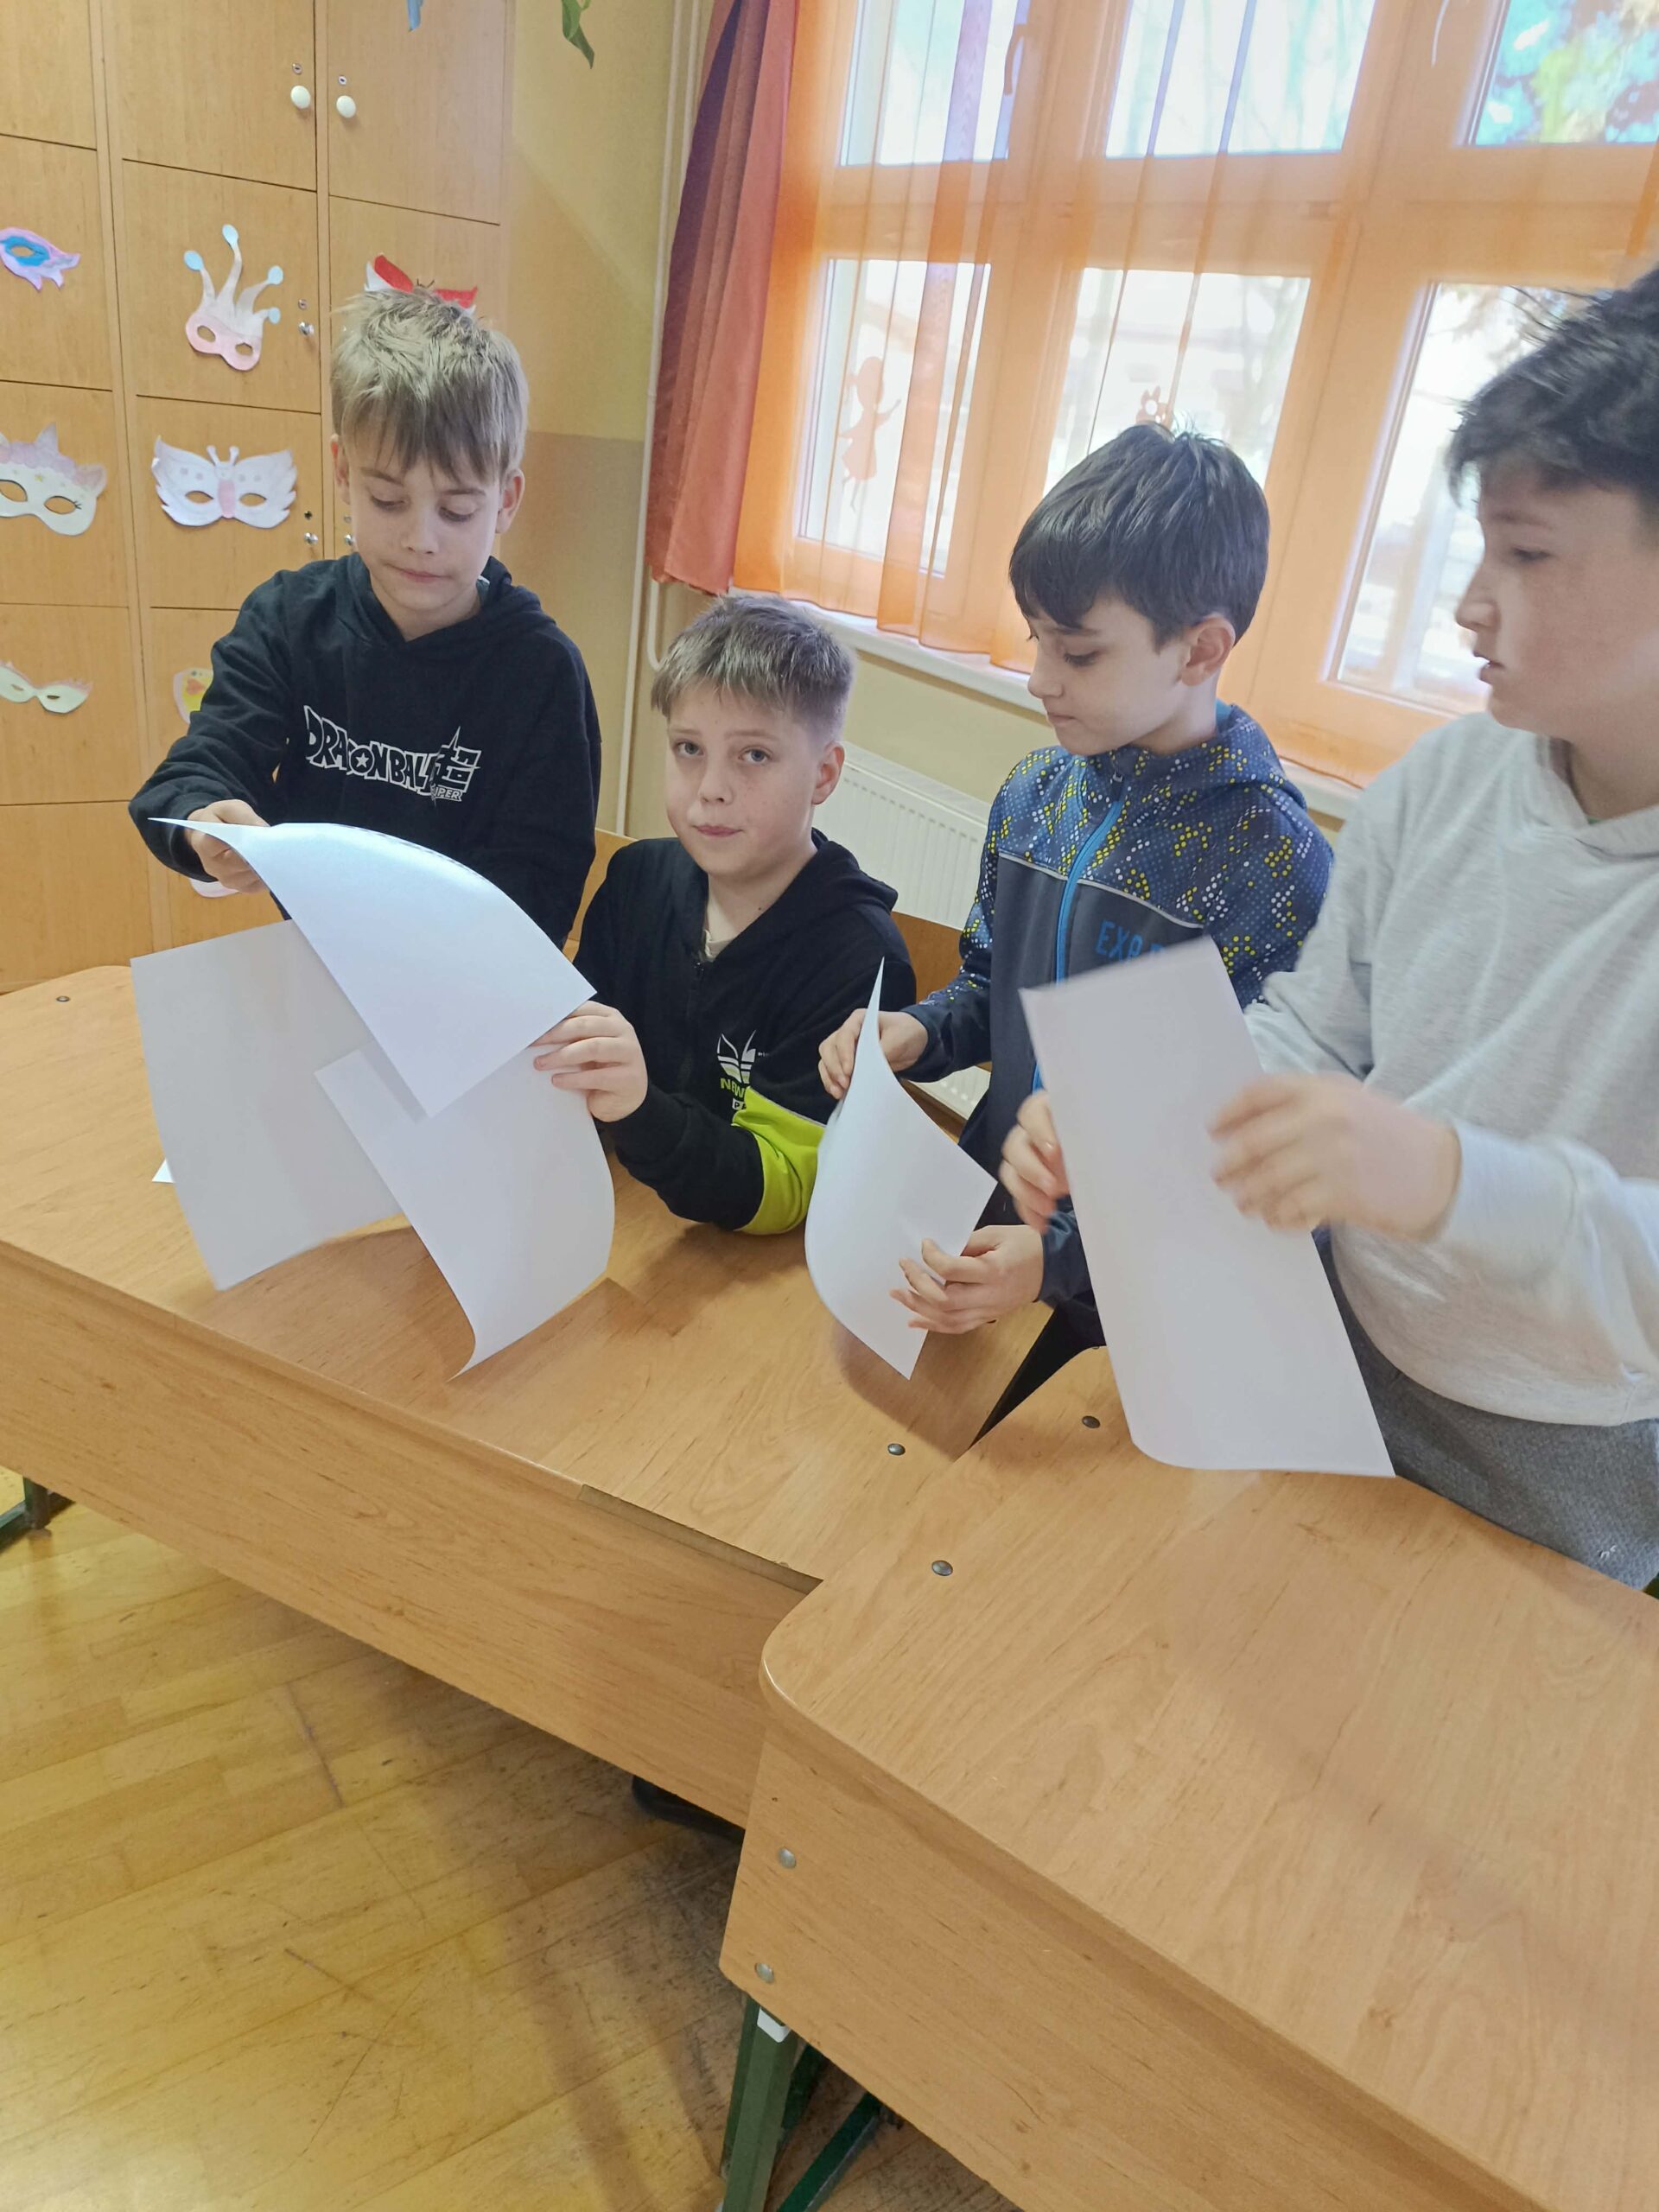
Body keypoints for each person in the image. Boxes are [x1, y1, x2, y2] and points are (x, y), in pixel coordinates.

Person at [1004, 271, 1659, 1589]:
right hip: (1335, 1345)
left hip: (1564, 1451)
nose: (1471, 604)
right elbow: (1313, 1025)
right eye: (1482, 548)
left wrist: (1445, 1179)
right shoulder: (1446, 781)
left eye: (1529, 555)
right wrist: (1145, 1109)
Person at [820, 423, 1330, 1359]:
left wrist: (1058, 1261)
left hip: (1143, 1299)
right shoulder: (1035, 795)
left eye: (1079, 653)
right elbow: (992, 991)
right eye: (1038, 641)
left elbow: (1229, 1141)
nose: (1038, 680)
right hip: (990, 1229)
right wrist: (920, 1033)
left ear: (1200, 649)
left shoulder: (1272, 860)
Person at [130, 288, 600, 945]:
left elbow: (541, 883)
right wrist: (205, 822)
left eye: (458, 511)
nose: (421, 539)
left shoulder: (541, 673)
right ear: (344, 472)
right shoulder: (289, 619)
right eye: (387, 500)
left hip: (465, 972)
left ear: (506, 501)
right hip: (318, 956)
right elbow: (196, 771)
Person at [536, 594, 915, 1235]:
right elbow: (572, 1069)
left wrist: (640, 1110)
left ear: (823, 775)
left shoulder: (858, 957)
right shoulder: (635, 879)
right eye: (689, 748)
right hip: (614, 1204)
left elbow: (785, 1188)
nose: (710, 788)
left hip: (745, 1258)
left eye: (754, 755)